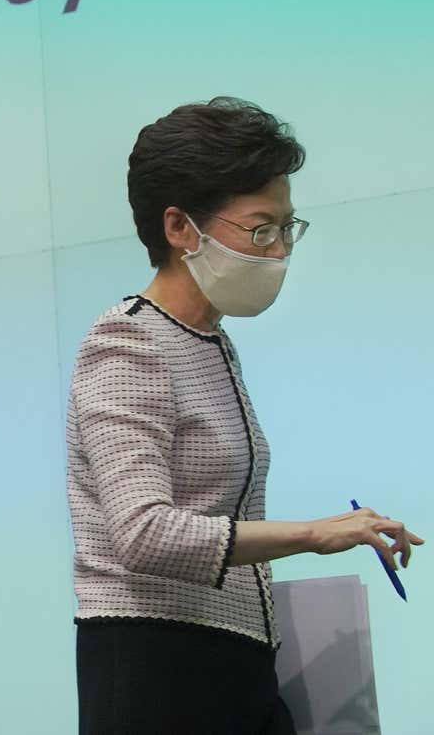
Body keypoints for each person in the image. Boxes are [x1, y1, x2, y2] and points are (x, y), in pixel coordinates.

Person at [65, 97, 423, 734]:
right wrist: (312, 534)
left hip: (238, 659)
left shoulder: (210, 341)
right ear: (179, 228)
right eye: (261, 229)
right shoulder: (127, 342)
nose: (280, 249)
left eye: (289, 227)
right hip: (158, 667)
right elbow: (142, 533)